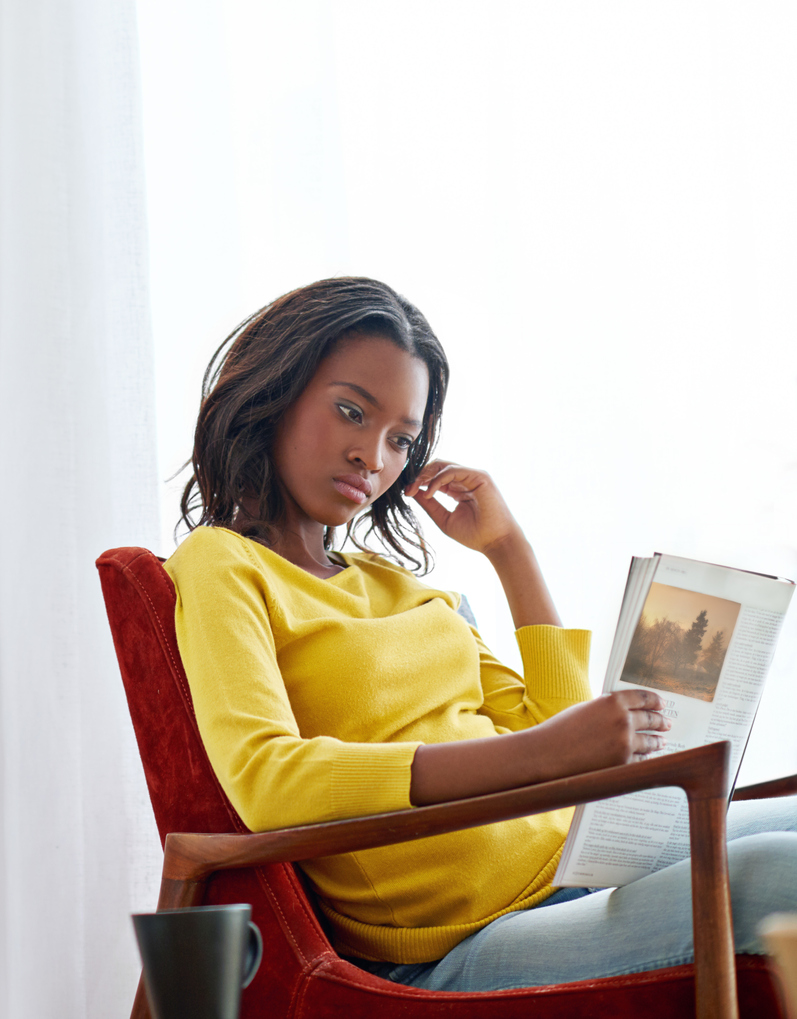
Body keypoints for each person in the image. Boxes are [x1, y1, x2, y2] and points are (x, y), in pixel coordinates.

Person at [164, 276, 797, 991]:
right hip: (466, 939)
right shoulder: (224, 563)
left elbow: (558, 740)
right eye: (350, 411)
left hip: (569, 866)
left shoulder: (401, 585)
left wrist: (509, 551)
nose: (372, 456)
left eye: (401, 439)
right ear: (272, 394)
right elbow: (267, 780)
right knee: (784, 874)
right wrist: (542, 753)